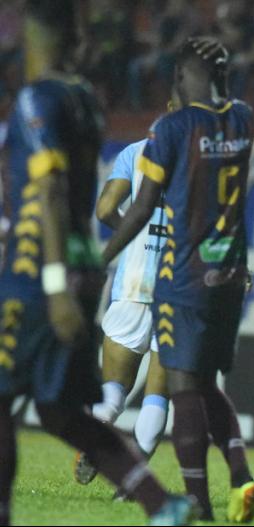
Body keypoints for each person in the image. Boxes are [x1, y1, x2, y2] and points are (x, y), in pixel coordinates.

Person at [0, 1, 195, 524]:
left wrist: (56, 281)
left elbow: (51, 187)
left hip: (39, 272)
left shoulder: (36, 97)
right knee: (61, 411)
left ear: (30, 37)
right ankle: (162, 503)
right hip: (90, 267)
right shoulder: (85, 100)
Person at [101, 37, 254, 523]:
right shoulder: (244, 119)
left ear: (179, 78)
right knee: (206, 382)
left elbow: (142, 206)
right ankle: (240, 476)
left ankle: (201, 503)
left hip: (183, 274)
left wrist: (99, 255)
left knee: (183, 388)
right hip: (230, 273)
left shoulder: (171, 129)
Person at [73, 133, 171, 495]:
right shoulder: (201, 155)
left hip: (133, 283)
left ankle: (96, 442)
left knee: (113, 391)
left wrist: (135, 228)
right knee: (158, 396)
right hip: (178, 290)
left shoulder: (135, 152)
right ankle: (131, 485)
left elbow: (103, 210)